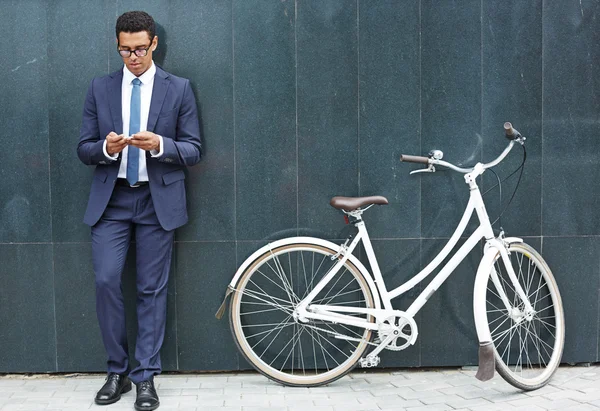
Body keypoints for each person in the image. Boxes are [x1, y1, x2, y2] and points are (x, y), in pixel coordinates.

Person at [77, 10, 201, 411]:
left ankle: (145, 377)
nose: (133, 57)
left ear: (154, 44)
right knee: (106, 280)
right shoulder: (100, 88)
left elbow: (194, 149)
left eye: (140, 49)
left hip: (156, 200)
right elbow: (84, 148)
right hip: (111, 200)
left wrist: (160, 145)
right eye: (125, 50)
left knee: (151, 290)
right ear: (117, 45)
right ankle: (117, 371)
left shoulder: (178, 88)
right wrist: (106, 150)